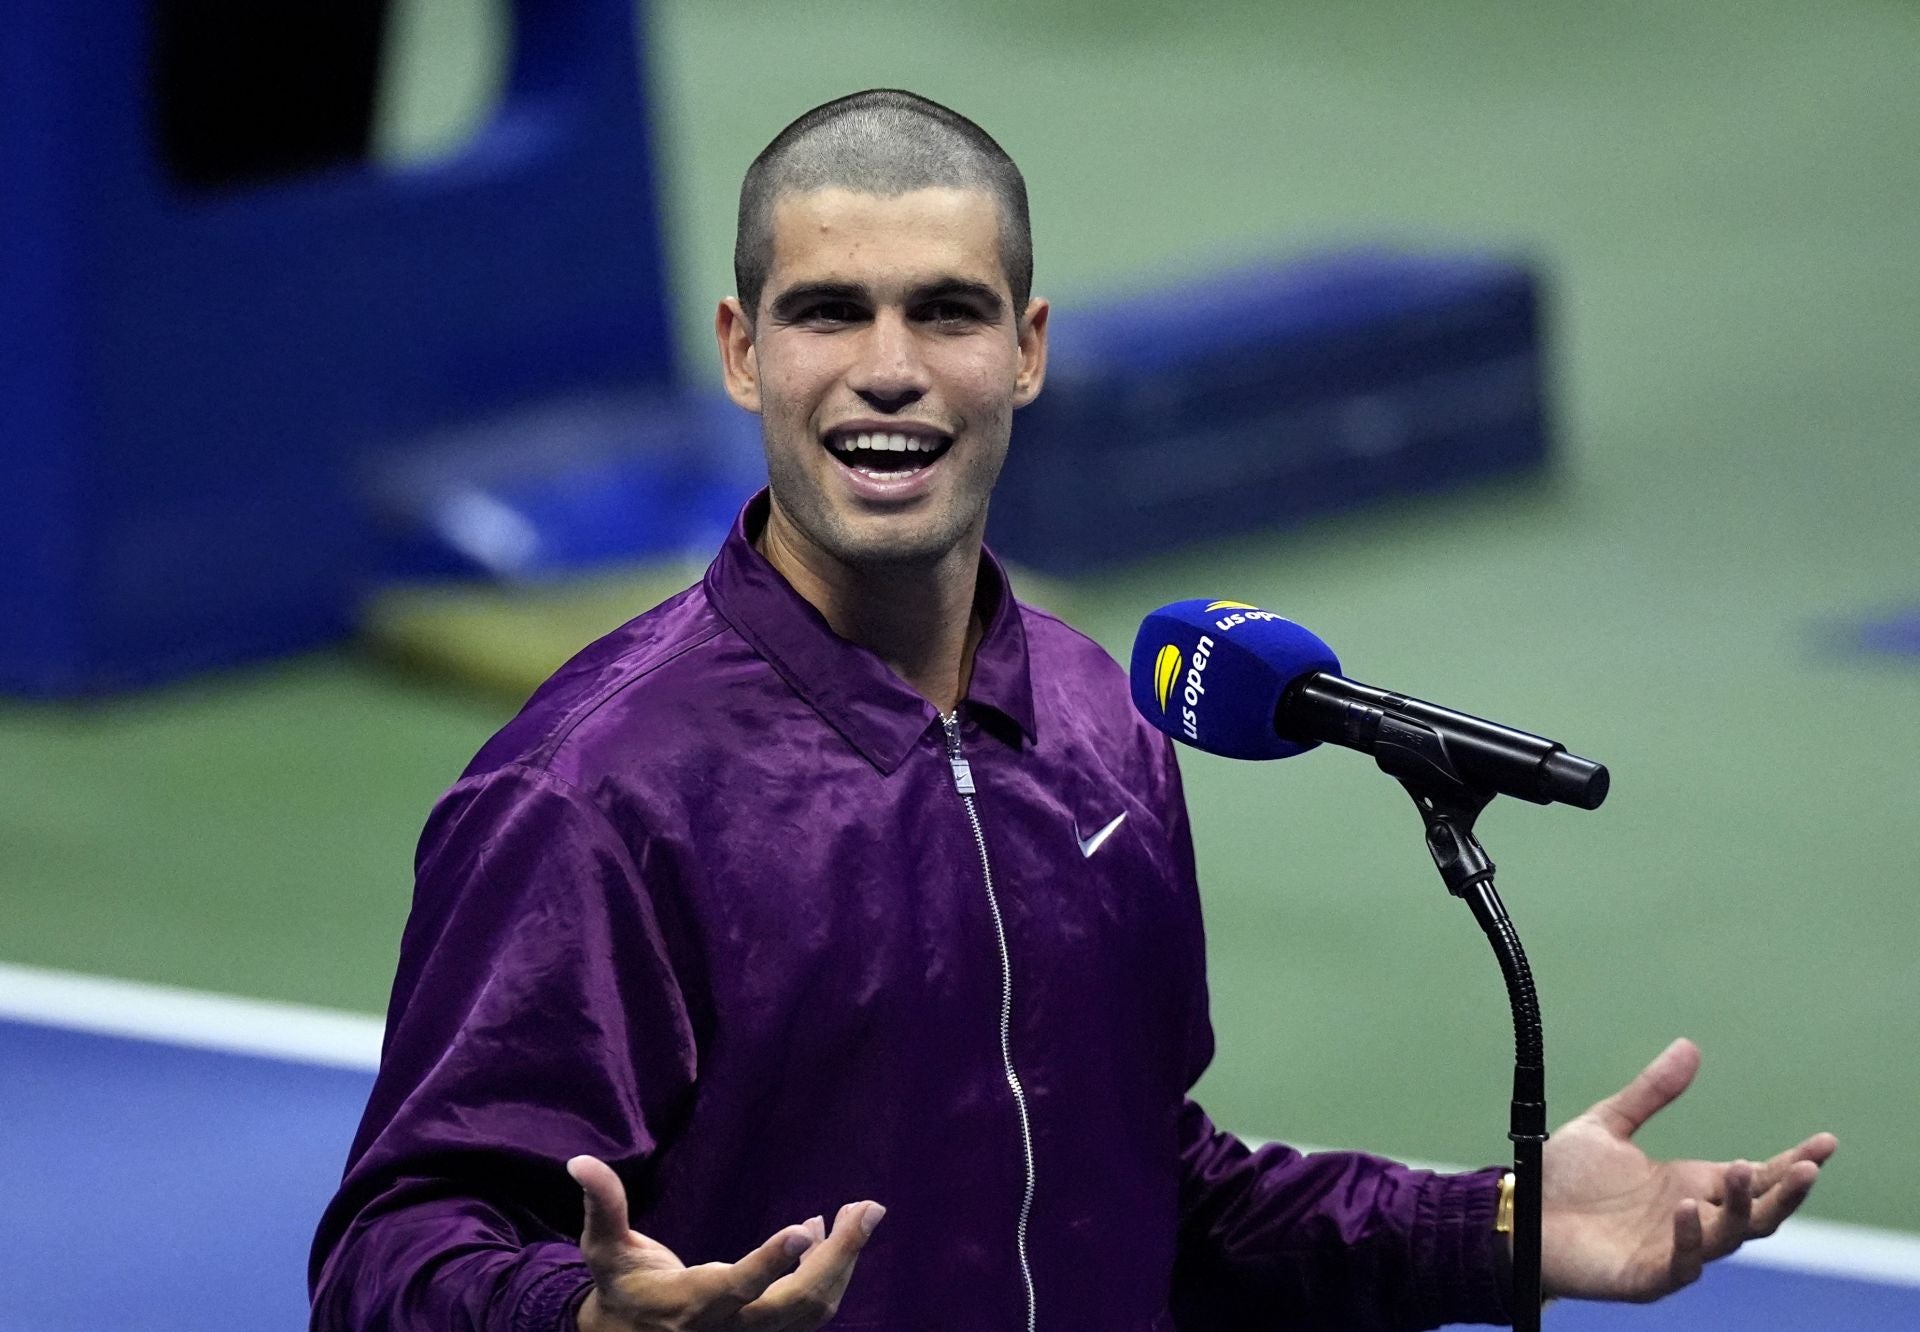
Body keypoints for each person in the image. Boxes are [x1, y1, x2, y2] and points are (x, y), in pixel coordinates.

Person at [309, 89, 1836, 1331]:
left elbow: (1155, 1197)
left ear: (1027, 351)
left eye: (950, 313)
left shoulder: (1104, 716)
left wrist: (1495, 1225)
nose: (891, 372)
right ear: (742, 351)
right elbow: (391, 1257)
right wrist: (572, 1321)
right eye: (830, 312)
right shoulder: (593, 794)